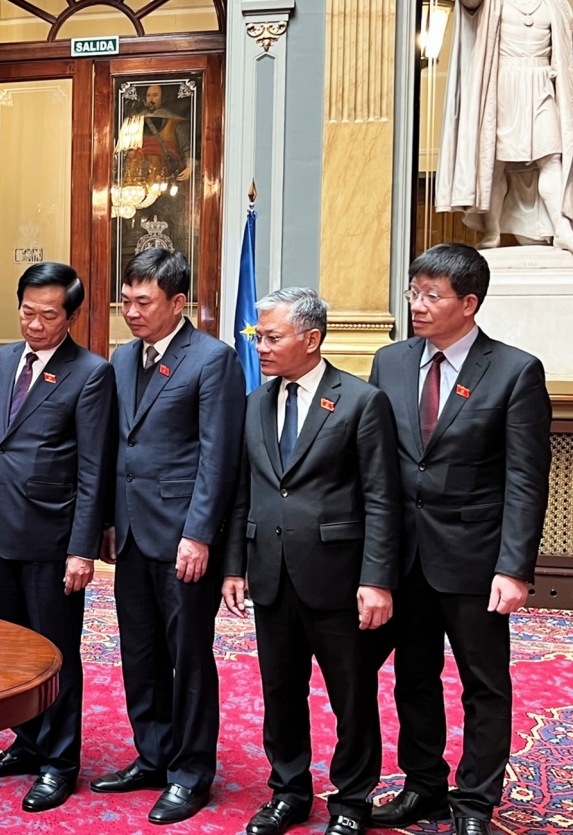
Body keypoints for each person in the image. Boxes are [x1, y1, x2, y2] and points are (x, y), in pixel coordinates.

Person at [368, 243, 551, 835]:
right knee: (412, 676)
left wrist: (515, 567)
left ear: (469, 303)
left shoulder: (515, 370)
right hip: (405, 555)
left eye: (430, 296)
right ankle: (423, 785)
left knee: (483, 684)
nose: (416, 305)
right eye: (412, 293)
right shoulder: (390, 362)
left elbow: (525, 477)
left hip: (475, 557)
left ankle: (474, 801)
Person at [221, 288, 399, 835]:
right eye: (259, 336)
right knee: (280, 690)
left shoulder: (361, 401)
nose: (262, 347)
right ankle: (289, 789)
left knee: (351, 695)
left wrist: (376, 580)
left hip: (338, 577)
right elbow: (244, 491)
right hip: (271, 573)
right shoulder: (256, 401)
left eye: (272, 337)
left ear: (312, 339)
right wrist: (234, 566)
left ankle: (352, 801)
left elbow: (381, 497)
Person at [91, 248, 246, 824]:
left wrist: (200, 534)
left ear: (178, 303)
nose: (130, 311)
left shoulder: (212, 360)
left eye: (143, 302)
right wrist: (109, 519)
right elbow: (117, 447)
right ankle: (152, 755)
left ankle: (190, 772)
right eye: (125, 300)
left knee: (188, 657)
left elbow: (218, 455)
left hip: (184, 537)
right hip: (132, 532)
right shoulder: (123, 357)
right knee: (141, 652)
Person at [0, 263, 116, 813]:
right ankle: (26, 744)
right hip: (1, 529)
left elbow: (94, 469)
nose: (34, 323)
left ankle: (59, 762)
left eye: (48, 315)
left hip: (54, 539)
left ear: (71, 316)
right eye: (27, 311)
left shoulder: (91, 372)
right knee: (15, 650)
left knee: (56, 654)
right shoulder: (5, 358)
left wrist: (83, 549)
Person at [436, 0, 573, 250]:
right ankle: (493, 231)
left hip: (543, 84)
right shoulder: (492, 3)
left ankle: (561, 227)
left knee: (552, 157)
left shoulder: (556, 4)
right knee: (496, 162)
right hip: (504, 86)